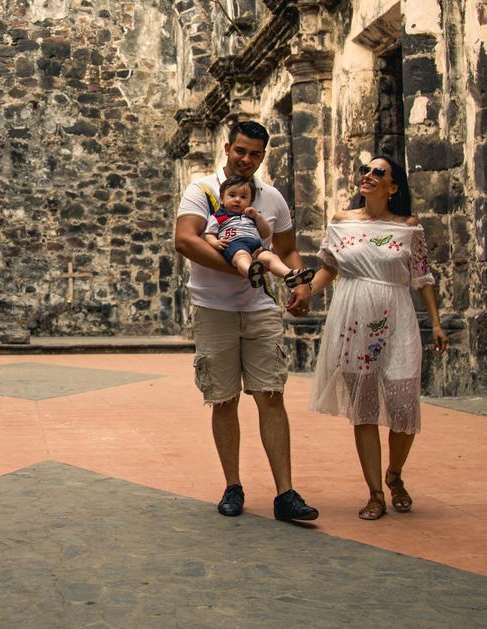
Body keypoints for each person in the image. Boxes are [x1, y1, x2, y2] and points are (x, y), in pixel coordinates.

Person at [174, 120, 318, 523]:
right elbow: (185, 239)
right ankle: (233, 485)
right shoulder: (202, 190)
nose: (246, 159)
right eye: (240, 151)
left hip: (259, 308)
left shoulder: (270, 198)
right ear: (227, 148)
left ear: (263, 156)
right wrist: (237, 268)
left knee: (271, 394)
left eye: (255, 154)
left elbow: (287, 249)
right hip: (213, 307)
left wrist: (301, 283)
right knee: (224, 398)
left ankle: (285, 493)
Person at [305, 155, 449, 520]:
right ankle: (374, 493)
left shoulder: (408, 227)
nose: (367, 176)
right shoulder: (341, 222)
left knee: (403, 405)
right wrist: (306, 292)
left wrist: (436, 323)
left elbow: (422, 278)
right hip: (352, 319)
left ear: (393, 187)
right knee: (364, 409)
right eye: (364, 170)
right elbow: (329, 269)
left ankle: (395, 473)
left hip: (397, 318)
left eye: (377, 172)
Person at [202, 174, 315, 293]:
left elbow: (265, 233)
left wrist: (258, 217)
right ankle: (250, 271)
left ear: (250, 201)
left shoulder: (250, 216)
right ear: (222, 199)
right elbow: (209, 234)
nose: (237, 200)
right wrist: (215, 242)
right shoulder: (218, 217)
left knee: (271, 257)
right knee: (241, 257)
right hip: (234, 245)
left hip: (257, 246)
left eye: (243, 197)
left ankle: (289, 274)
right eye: (232, 195)